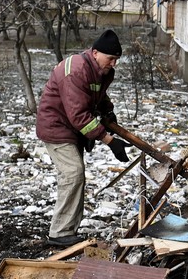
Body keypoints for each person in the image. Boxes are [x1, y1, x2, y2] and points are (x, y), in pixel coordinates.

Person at [36, 29, 132, 246]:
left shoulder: (100, 70)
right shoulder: (76, 70)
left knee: (76, 175)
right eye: (111, 59)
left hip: (71, 128)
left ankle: (69, 229)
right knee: (73, 173)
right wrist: (109, 140)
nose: (114, 64)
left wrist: (108, 112)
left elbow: (97, 94)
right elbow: (78, 115)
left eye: (117, 59)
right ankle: (60, 233)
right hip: (56, 126)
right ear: (95, 52)